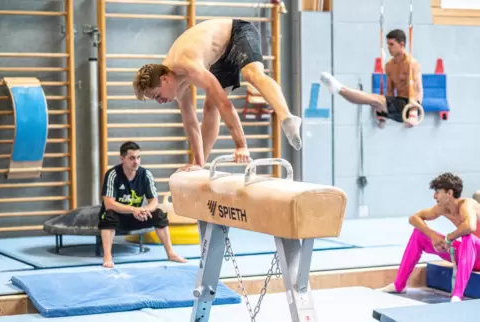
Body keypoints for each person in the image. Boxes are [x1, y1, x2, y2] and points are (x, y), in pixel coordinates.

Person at [132, 18, 302, 171]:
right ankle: (201, 163)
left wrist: (241, 145)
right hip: (220, 56)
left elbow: (224, 103)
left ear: (164, 79)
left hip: (237, 32)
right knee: (209, 105)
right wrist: (197, 163)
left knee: (252, 75)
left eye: (156, 96)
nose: (160, 101)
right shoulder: (177, 85)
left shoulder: (187, 64)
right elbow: (190, 123)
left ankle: (287, 117)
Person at [377, 172, 480, 302]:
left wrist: (448, 238)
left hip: (477, 252)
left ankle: (457, 294)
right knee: (418, 234)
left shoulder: (467, 204)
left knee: (467, 237)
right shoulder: (442, 208)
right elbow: (413, 218)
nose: (434, 196)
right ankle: (399, 285)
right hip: (469, 256)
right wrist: (433, 235)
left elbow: (470, 227)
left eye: (437, 192)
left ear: (449, 193)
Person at [99, 141, 187, 268]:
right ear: (122, 158)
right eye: (132, 158)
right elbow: (109, 203)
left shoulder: (146, 174)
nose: (136, 161)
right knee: (108, 216)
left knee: (159, 215)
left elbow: (154, 201)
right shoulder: (113, 174)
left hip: (137, 216)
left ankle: (171, 253)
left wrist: (145, 210)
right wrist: (133, 209)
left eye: (138, 157)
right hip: (119, 217)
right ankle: (107, 256)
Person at [319, 29, 423, 128]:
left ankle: (339, 88)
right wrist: (384, 114)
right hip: (399, 105)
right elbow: (390, 91)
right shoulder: (389, 66)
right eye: (387, 44)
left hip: (411, 105)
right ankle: (339, 90)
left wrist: (413, 114)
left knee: (374, 99)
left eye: (392, 44)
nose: (388, 47)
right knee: (373, 101)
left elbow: (417, 89)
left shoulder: (412, 63)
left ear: (402, 44)